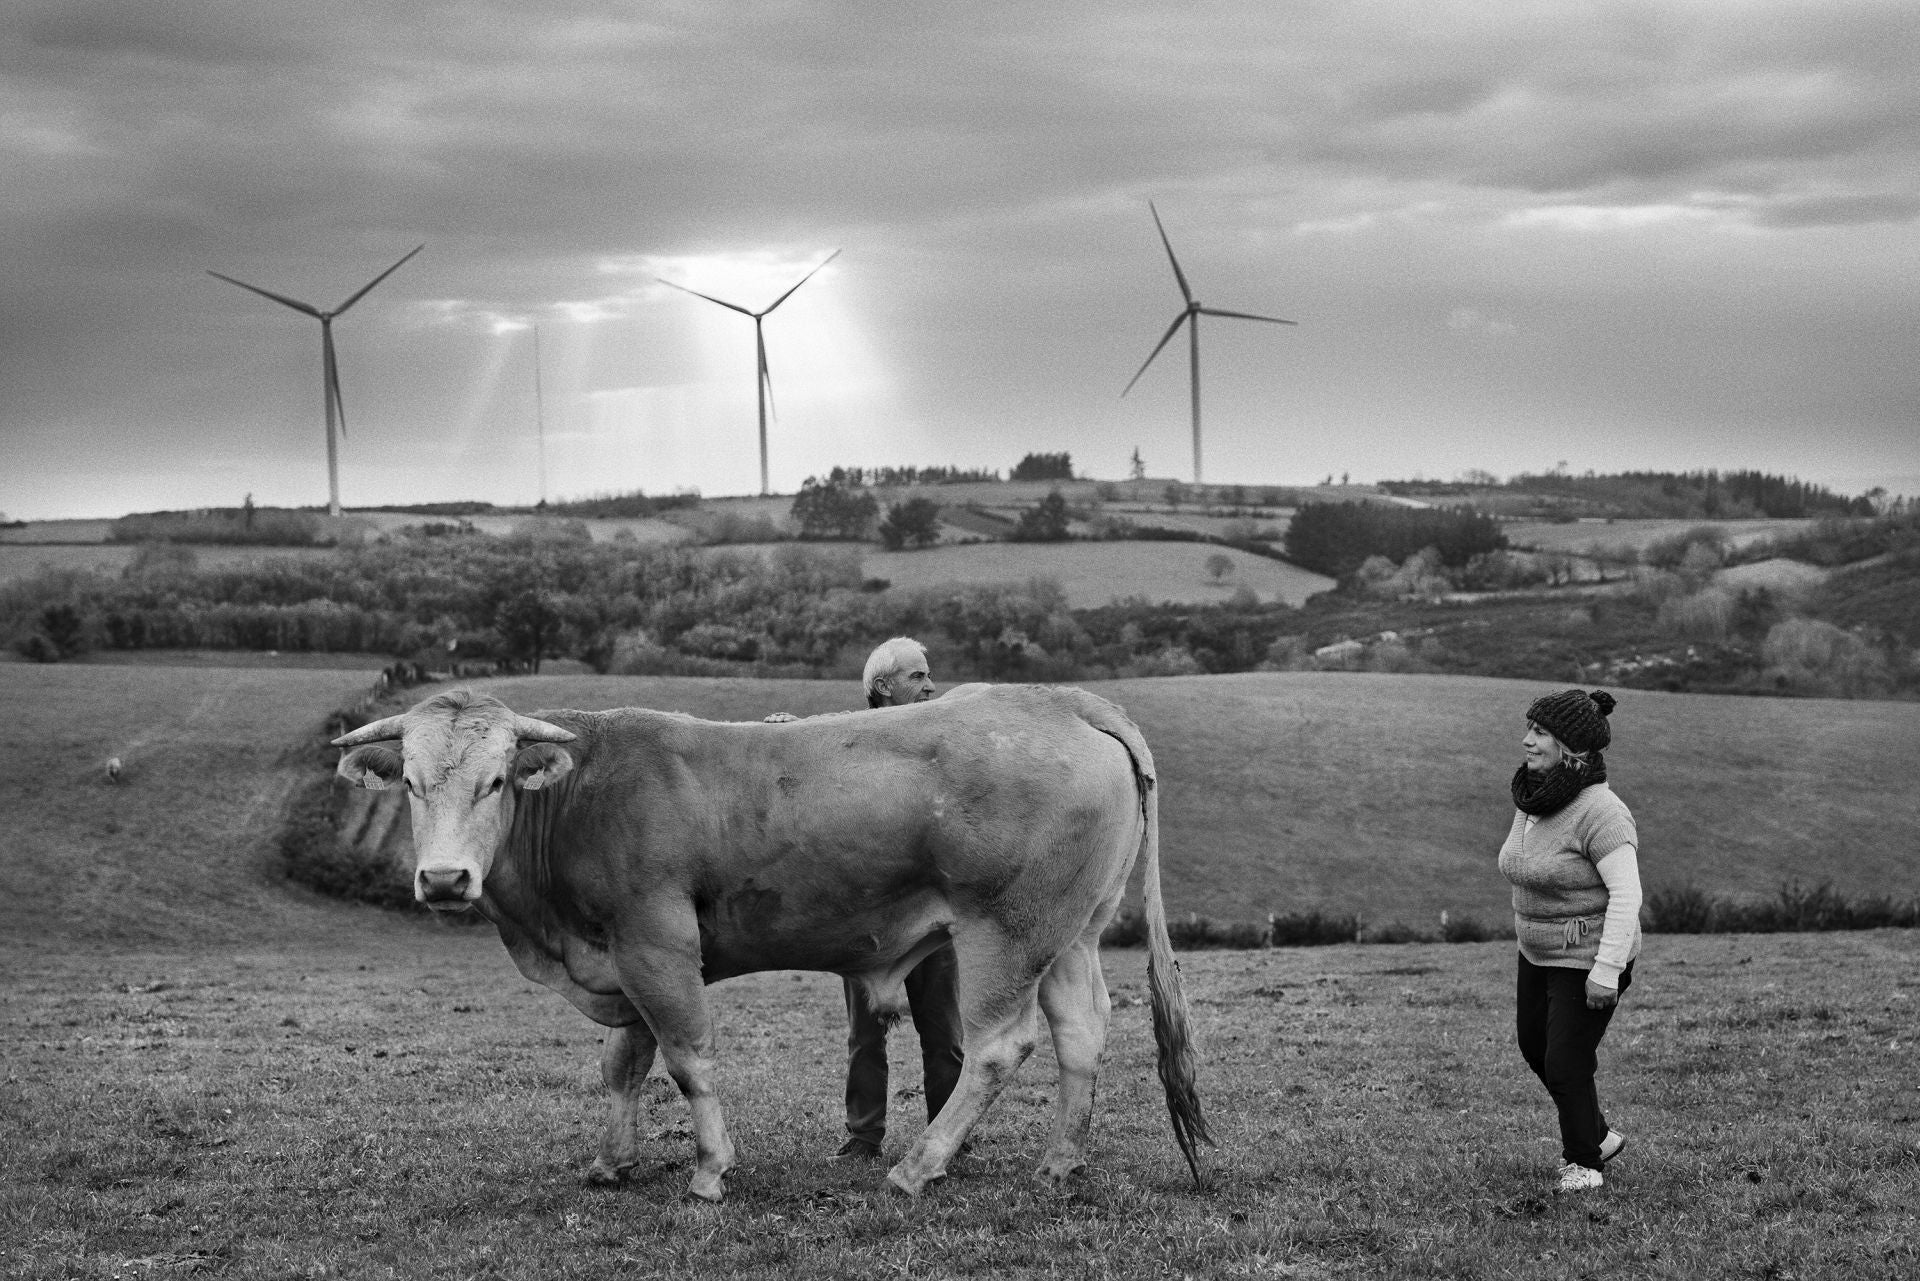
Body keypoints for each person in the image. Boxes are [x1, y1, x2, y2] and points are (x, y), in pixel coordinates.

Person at [771, 637, 965, 1159]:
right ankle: (863, 1137)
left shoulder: (938, 737)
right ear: (881, 688)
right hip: (866, 916)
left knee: (944, 1032)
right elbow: (814, 747)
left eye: (928, 675)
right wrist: (794, 734)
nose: (930, 686)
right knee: (865, 1034)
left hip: (928, 910)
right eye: (917, 677)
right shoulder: (847, 737)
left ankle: (949, 1134)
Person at [1498, 688, 1643, 1193]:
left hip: (1589, 955)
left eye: (1539, 733)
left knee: (1566, 1061)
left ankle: (1584, 1162)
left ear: (1570, 748)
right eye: (1530, 729)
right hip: (1537, 951)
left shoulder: (1602, 811)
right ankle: (1598, 1136)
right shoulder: (1535, 796)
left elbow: (1628, 894)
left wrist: (1605, 972)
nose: (1527, 741)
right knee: (1535, 1048)